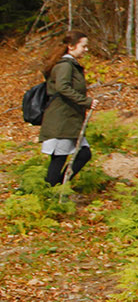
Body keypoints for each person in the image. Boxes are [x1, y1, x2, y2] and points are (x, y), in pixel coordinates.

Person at [38, 31, 93, 186]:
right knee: (59, 159)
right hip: (61, 121)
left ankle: (60, 186)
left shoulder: (71, 65)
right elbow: (63, 87)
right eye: (83, 46)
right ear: (71, 46)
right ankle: (51, 191)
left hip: (70, 120)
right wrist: (86, 101)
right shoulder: (65, 66)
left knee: (84, 154)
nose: (86, 49)